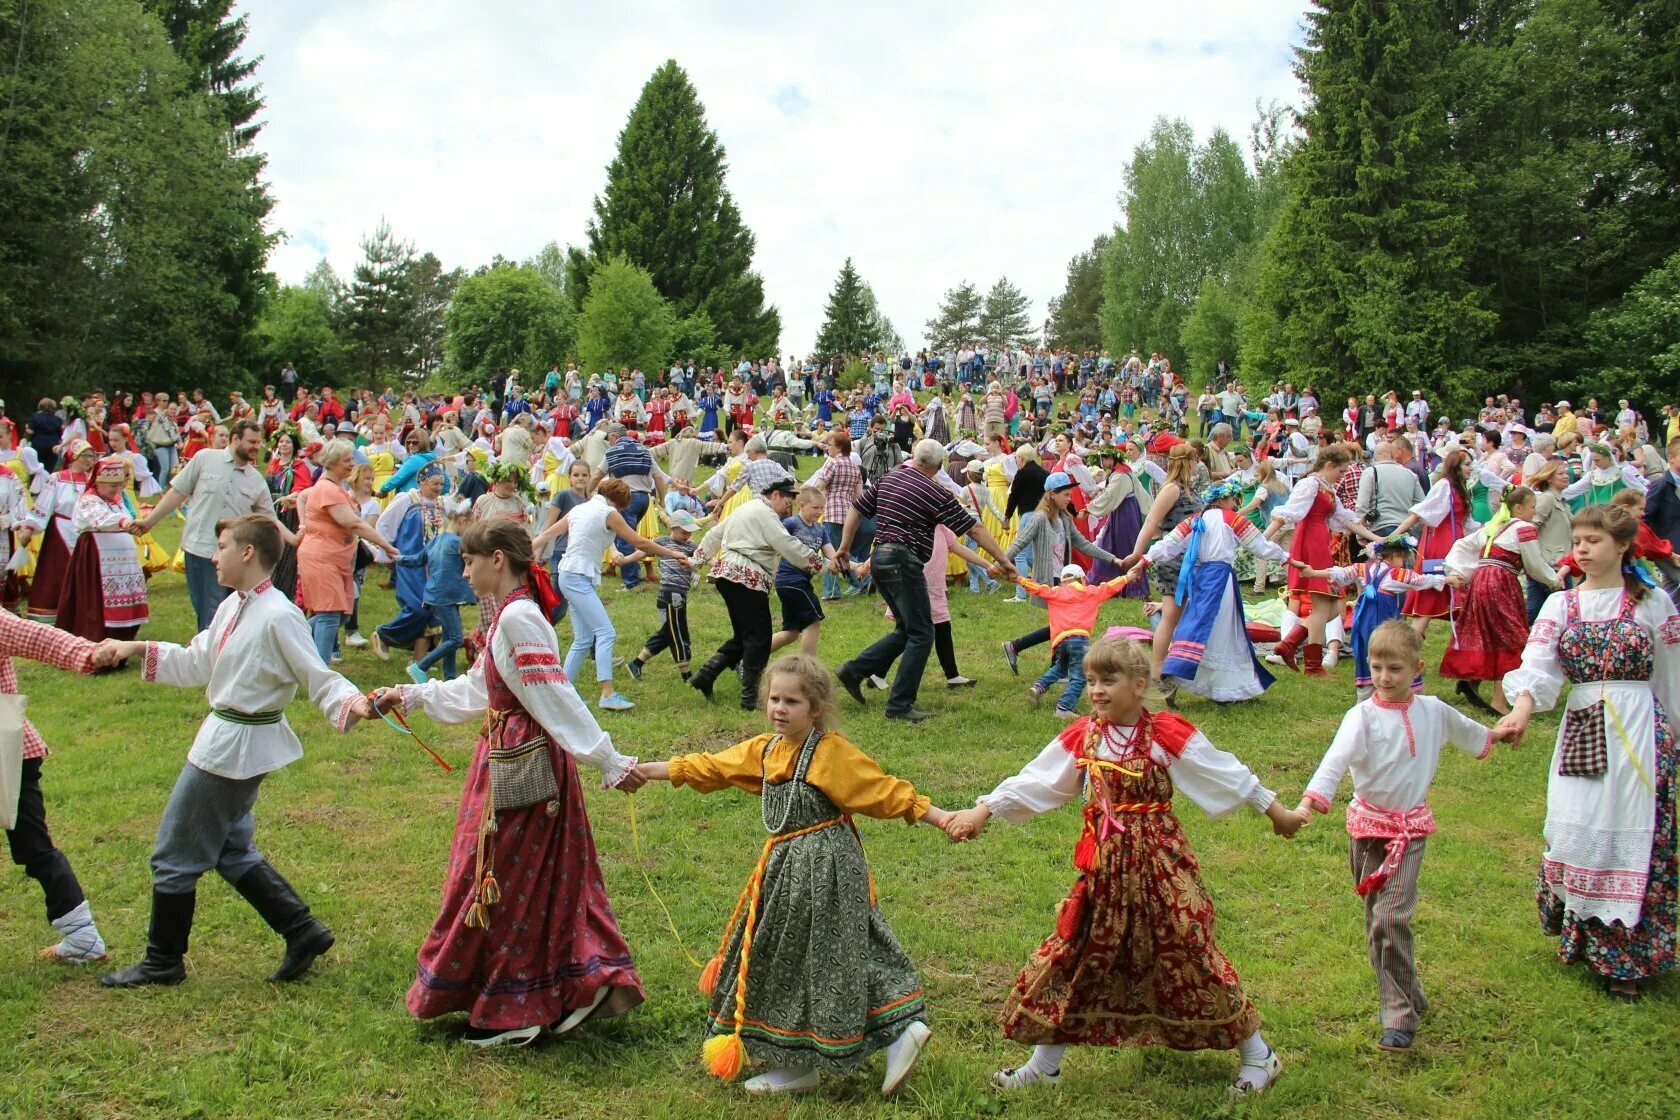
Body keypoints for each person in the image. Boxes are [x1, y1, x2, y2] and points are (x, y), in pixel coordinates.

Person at [943, 637, 1302, 1096]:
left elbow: (1223, 772)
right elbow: (1038, 778)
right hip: (1105, 866)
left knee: (1187, 946)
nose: (1095, 690)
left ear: (1138, 684)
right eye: (1091, 680)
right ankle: (1044, 1065)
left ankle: (1259, 1054)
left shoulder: (1165, 733)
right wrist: (984, 810)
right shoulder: (1084, 735)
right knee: (1078, 951)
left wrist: (1277, 813)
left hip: (1159, 863)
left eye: (1107, 680)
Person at [370, 518, 646, 1047]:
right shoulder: (510, 617)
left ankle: (520, 1008)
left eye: (470, 562)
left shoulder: (520, 618)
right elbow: (481, 688)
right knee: (518, 878)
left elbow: (556, 697)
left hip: (525, 769)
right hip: (508, 759)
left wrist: (608, 760)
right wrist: (413, 696)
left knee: (505, 882)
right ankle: (568, 988)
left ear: (498, 559)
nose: (465, 571)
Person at [632, 655, 946, 1096]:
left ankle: (884, 1037)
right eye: (774, 699)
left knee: (826, 952)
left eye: (792, 701)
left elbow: (883, 791)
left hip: (828, 869)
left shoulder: (829, 752)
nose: (780, 708)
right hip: (787, 871)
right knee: (804, 955)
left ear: (815, 709)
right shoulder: (766, 750)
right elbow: (713, 766)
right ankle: (824, 1055)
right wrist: (650, 771)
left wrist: (942, 816)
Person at [97, 515, 377, 988]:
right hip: (227, 739)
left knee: (174, 851)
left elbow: (316, 674)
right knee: (229, 847)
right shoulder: (234, 607)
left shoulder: (278, 614)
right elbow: (195, 661)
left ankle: (163, 960)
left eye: (222, 545)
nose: (213, 554)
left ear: (248, 553)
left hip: (232, 747)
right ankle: (302, 930)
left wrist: (354, 703)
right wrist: (136, 649)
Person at [1496, 504, 1680, 1002]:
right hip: (1582, 723)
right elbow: (1538, 666)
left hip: (1639, 725)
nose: (1581, 548)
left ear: (1622, 546)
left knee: (1631, 828)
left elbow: (1671, 674)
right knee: (1581, 826)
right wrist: (1522, 710)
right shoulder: (1562, 605)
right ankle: (1584, 936)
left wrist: (1673, 737)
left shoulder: (1652, 603)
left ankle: (1629, 958)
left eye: (1592, 540)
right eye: (1577, 539)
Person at [1298, 621, 1508, 1051]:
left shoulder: (1433, 710)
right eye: (1375, 667)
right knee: (1379, 921)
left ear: (1416, 667)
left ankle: (1397, 1013)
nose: (1383, 677)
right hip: (1366, 831)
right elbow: (1333, 763)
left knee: (1391, 918)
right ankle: (1408, 992)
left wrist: (1496, 734)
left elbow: (1471, 733)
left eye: (1394, 668)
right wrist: (1309, 803)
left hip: (1409, 833)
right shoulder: (1361, 717)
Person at [834, 441, 1013, 723]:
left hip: (881, 558)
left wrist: (844, 546)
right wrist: (1002, 560)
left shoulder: (889, 478)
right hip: (904, 562)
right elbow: (975, 528)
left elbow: (857, 508)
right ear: (938, 465)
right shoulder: (934, 492)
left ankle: (854, 670)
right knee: (922, 632)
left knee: (907, 628)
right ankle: (899, 704)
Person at [2, 611, 115, 962]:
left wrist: (89, 653)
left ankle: (82, 938)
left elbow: (37, 637)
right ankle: (82, 937)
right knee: (33, 847)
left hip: (6, 751)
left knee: (33, 846)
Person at [532, 477, 686, 712]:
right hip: (577, 577)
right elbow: (640, 542)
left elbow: (544, 536)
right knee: (605, 632)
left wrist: (526, 558)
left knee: (583, 638)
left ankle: (561, 694)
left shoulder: (579, 509)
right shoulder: (608, 512)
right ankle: (607, 693)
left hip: (568, 574)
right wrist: (673, 553)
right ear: (620, 503)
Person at [1133, 478, 1292, 702]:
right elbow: (1258, 545)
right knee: (1224, 631)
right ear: (1223, 499)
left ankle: (1214, 685)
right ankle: (1222, 687)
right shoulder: (1231, 519)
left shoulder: (1195, 520)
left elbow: (1168, 544)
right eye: (1233, 499)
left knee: (1198, 626)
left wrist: (1146, 559)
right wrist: (1285, 557)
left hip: (1200, 579)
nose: (1236, 504)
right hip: (1220, 580)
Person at [132, 420, 290, 632]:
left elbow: (269, 521)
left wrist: (294, 541)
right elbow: (178, 492)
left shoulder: (256, 480)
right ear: (235, 439)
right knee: (210, 614)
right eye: (252, 441)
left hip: (235, 557)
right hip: (200, 551)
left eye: (258, 442)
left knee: (229, 615)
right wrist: (148, 522)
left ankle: (217, 657)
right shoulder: (205, 459)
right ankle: (209, 658)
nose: (256, 447)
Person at [689, 478, 824, 710]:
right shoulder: (766, 514)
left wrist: (696, 560)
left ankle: (706, 675)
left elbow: (715, 533)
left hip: (727, 575)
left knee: (744, 636)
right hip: (746, 576)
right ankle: (749, 697)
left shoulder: (746, 508)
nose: (788, 507)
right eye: (787, 500)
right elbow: (787, 544)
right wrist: (820, 563)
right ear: (775, 495)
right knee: (759, 639)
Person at [1439, 486, 1560, 714]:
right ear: (1518, 507)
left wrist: (1460, 572)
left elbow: (1462, 545)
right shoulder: (1524, 528)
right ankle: (1499, 700)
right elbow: (1533, 564)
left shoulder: (1494, 526)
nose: (1534, 512)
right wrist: (1553, 579)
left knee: (1484, 631)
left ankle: (1471, 681)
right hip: (1501, 581)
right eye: (1532, 507)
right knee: (1510, 635)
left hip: (1480, 580)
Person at [1268, 445, 1385, 675]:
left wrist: (1377, 538)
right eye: (1340, 471)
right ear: (1329, 465)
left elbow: (1345, 519)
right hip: (1309, 542)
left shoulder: (1326, 487)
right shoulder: (1310, 484)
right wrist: (1263, 538)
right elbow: (1288, 513)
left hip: (1320, 541)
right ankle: (1311, 665)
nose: (1342, 476)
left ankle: (1289, 645)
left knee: (1331, 609)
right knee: (1323, 606)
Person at [295, 441, 400, 663]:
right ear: (331, 463)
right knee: (329, 615)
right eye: (347, 461)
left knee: (343, 612)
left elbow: (303, 497)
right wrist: (387, 546)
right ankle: (321, 670)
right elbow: (353, 523)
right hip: (322, 559)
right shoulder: (327, 489)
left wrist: (305, 523)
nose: (352, 464)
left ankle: (290, 637)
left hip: (339, 560)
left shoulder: (335, 488)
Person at [1013, 562, 1133, 716]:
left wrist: (1020, 580)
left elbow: (1038, 589)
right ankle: (1064, 708)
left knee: (1060, 668)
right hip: (1079, 639)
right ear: (1082, 579)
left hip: (1060, 642)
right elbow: (1110, 586)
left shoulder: (1056, 592)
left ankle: (1039, 687)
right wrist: (1127, 577)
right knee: (1080, 676)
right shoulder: (1091, 592)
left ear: (1063, 581)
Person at [55, 457, 149, 641]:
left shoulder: (116, 499)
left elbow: (126, 516)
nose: (116, 490)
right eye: (112, 486)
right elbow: (100, 518)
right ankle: (96, 638)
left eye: (119, 485)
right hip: (97, 557)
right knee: (97, 598)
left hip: (121, 562)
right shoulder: (89, 499)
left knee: (125, 595)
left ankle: (122, 638)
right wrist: (124, 522)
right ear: (99, 482)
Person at [370, 462, 447, 666]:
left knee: (432, 612)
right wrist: (388, 554)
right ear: (421, 482)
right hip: (410, 563)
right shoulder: (407, 499)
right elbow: (385, 524)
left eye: (441, 483)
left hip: (435, 566)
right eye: (434, 483)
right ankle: (384, 634)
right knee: (417, 607)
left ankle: (418, 662)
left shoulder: (442, 503)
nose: (438, 487)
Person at [18, 441, 96, 625]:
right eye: (86, 456)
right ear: (74, 456)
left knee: (83, 573)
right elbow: (44, 504)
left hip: (85, 532)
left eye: (92, 456)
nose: (89, 460)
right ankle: (50, 616)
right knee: (57, 573)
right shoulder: (57, 478)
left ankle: (81, 616)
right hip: (60, 531)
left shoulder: (92, 480)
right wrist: (30, 528)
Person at [622, 508, 702, 682]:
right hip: (669, 594)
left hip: (681, 594)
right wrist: (626, 560)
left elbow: (703, 559)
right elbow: (642, 551)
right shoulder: (663, 542)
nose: (687, 535)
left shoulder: (691, 547)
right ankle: (687, 676)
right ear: (672, 527)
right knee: (678, 634)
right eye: (683, 532)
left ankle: (636, 663)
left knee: (669, 632)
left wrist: (699, 565)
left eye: (690, 532)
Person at [770, 486, 836, 656]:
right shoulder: (790, 523)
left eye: (822, 508)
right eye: (815, 508)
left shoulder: (821, 530)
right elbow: (773, 543)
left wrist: (856, 566)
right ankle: (808, 668)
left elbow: (832, 556)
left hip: (802, 583)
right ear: (801, 505)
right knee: (813, 621)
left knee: (791, 632)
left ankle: (750, 656)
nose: (819, 512)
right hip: (790, 581)